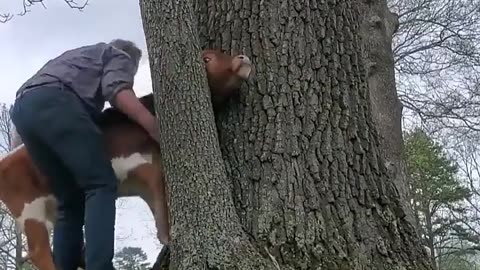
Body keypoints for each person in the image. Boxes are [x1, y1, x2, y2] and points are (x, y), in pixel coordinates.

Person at [10, 39, 159, 270]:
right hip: (57, 103)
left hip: (23, 110)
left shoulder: (78, 57)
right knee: (100, 183)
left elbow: (33, 102)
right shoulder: (117, 55)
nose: (129, 74)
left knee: (69, 200)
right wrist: (151, 124)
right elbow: (116, 89)